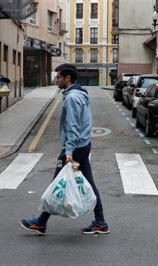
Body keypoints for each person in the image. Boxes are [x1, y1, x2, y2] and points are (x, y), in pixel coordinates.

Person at [20, 63, 109, 235]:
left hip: (75, 148)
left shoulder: (72, 98)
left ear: (68, 78)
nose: (56, 79)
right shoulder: (79, 93)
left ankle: (41, 222)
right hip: (82, 145)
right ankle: (100, 221)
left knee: (56, 185)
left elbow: (73, 127)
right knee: (83, 183)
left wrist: (68, 151)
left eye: (59, 76)